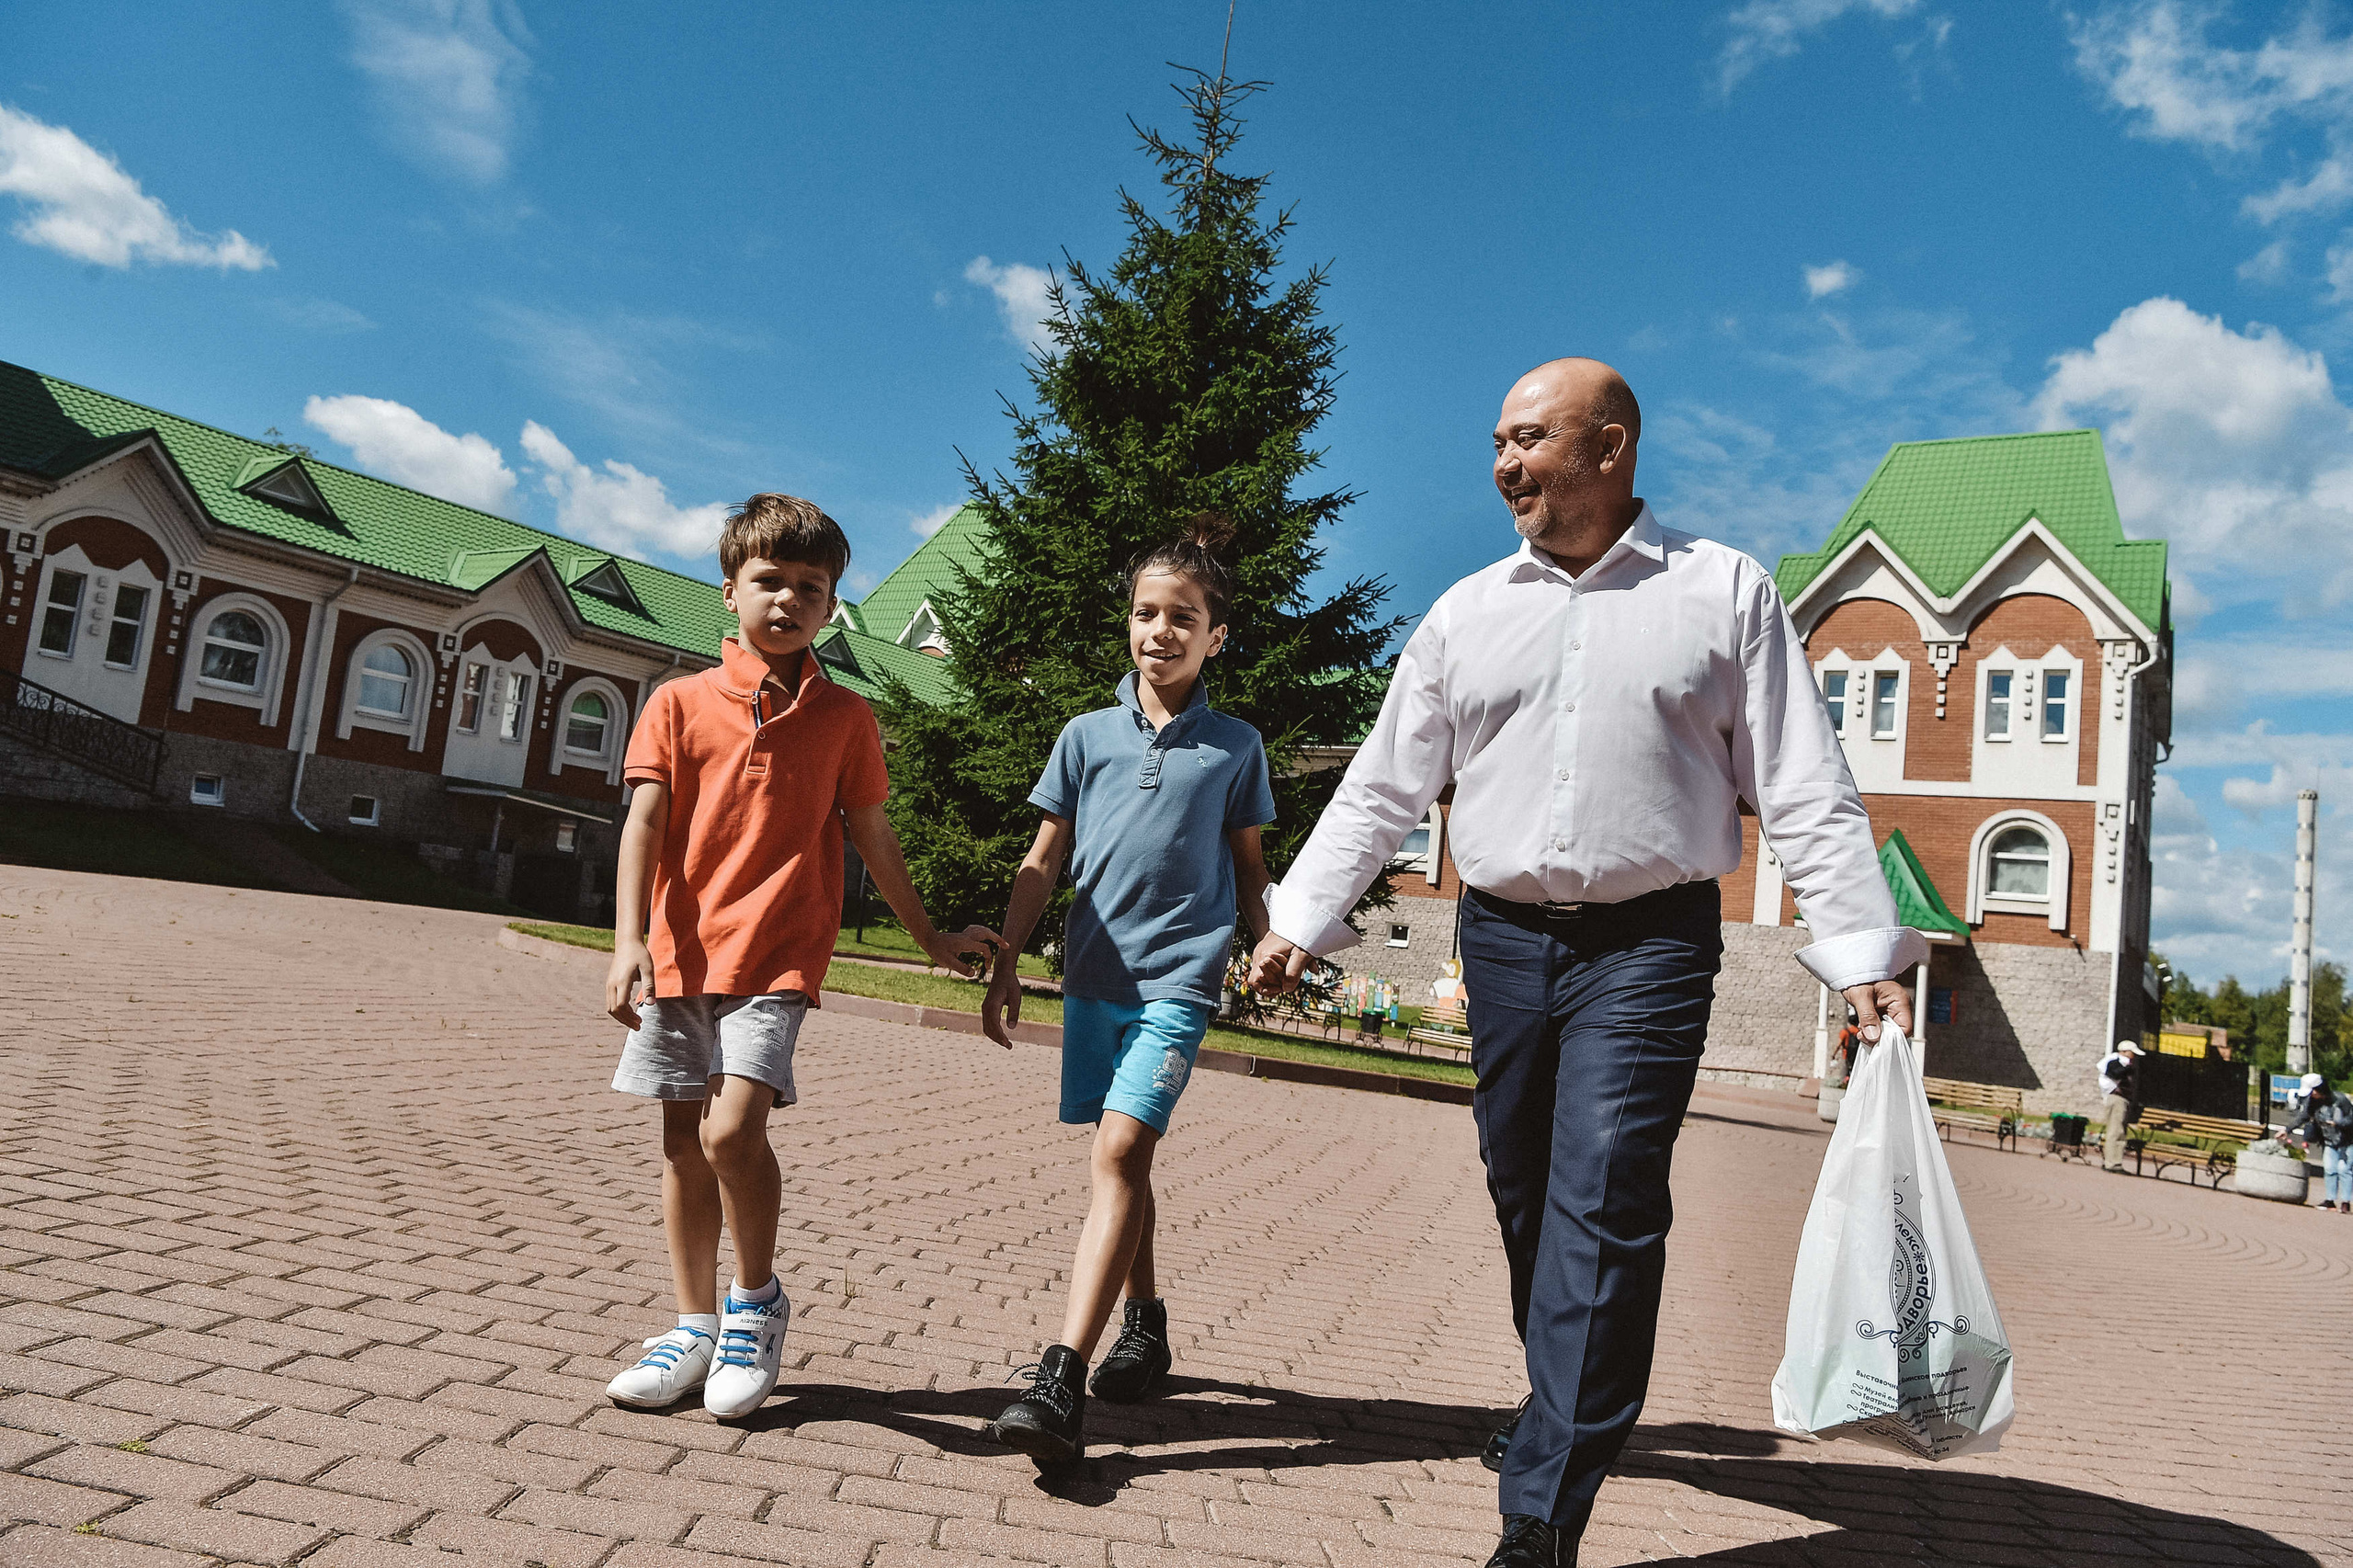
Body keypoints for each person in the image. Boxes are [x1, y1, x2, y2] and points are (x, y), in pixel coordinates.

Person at [1249, 359, 1921, 1568]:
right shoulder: (1466, 612)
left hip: (1652, 942)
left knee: (1604, 1196)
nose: (1504, 464)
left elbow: (1804, 782)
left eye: (1528, 439)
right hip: (1501, 938)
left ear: (1609, 448)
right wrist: (1301, 916)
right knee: (1528, 1198)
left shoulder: (1722, 592)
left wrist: (1862, 947)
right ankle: (1563, 1391)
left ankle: (1541, 1512)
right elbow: (1384, 782)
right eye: (1499, 441)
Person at [601, 494, 998, 1419]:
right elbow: (645, 825)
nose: (786, 598)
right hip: (679, 952)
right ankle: (692, 1324)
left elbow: (872, 836)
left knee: (732, 1132)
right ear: (731, 589)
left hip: (777, 954)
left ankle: (754, 1301)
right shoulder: (676, 701)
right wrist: (628, 942)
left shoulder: (845, 717)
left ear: (830, 607)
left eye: (808, 587)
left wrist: (929, 935)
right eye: (768, 580)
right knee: (680, 1143)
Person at [979, 522, 1277, 1468]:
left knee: (1119, 1146)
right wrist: (1006, 959)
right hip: (1093, 977)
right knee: (1125, 1157)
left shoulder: (1235, 747)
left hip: (1179, 982)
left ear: (1214, 636)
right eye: (1146, 613)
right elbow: (1043, 855)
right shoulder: (1084, 736)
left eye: (1182, 617)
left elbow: (1251, 870)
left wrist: (1275, 940)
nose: (1160, 630)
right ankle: (1144, 1324)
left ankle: (1059, 1378)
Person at [2283, 1074, 2353, 1210]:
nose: (2312, 1094)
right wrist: (2287, 1129)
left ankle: (2345, 1202)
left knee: (2344, 1169)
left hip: (2347, 1141)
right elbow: (2303, 1117)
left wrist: (2338, 1123)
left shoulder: (2340, 1099)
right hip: (2329, 1140)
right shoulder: (2312, 1102)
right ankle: (2330, 1200)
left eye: (2314, 1091)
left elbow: (2352, 1118)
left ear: (2321, 1089)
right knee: (2329, 1169)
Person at [2094, 1040, 2142, 1173]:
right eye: (2132, 1053)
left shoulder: (2122, 1062)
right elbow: (2114, 1073)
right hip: (2117, 1098)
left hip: (2121, 1099)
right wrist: (2128, 1069)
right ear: (2125, 1051)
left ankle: (2115, 1161)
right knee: (2116, 1130)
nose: (2134, 1056)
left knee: (2119, 1131)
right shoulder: (2115, 1061)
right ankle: (2112, 1163)